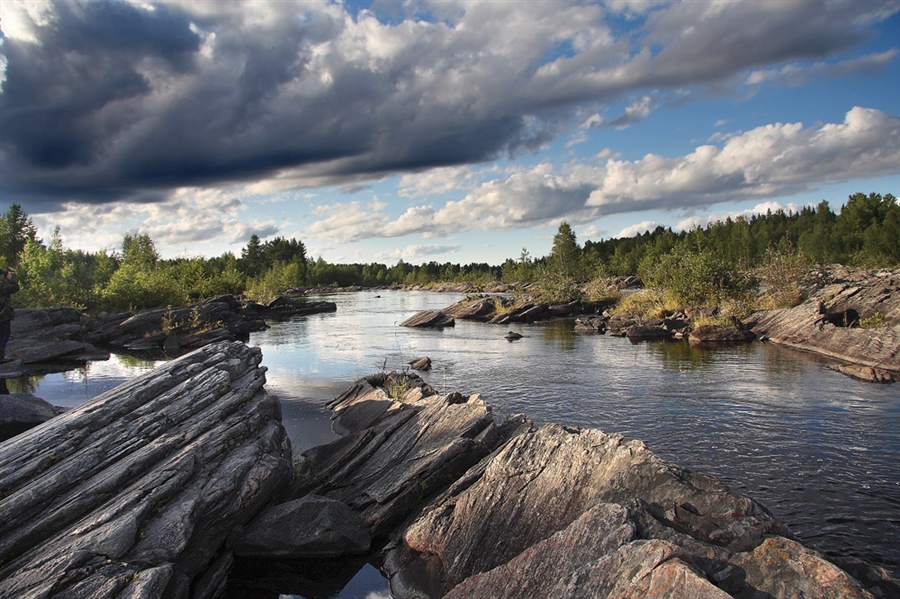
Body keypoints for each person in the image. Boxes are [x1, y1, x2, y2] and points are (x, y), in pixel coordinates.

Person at [0, 267, 19, 363]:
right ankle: (0, 358)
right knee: (3, 335)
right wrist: (10, 279)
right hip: (3, 315)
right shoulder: (2, 286)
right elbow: (15, 288)